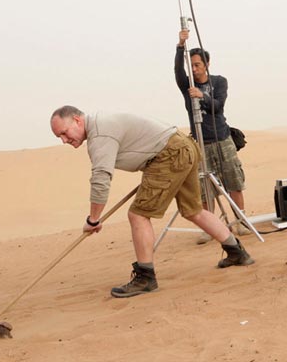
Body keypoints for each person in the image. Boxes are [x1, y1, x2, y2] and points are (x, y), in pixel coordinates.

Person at [50, 105, 254, 298]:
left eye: (64, 133)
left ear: (77, 120)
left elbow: (101, 179)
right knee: (193, 210)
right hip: (182, 147)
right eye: (59, 136)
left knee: (138, 214)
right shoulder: (101, 124)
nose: (64, 140)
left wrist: (93, 219)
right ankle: (237, 252)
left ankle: (145, 277)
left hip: (170, 154)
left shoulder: (99, 134)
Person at [176, 30, 247, 223]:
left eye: (197, 65)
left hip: (222, 139)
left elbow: (218, 106)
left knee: (233, 181)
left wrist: (202, 96)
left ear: (207, 64)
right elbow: (178, 70)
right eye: (191, 66)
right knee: (204, 189)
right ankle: (212, 226)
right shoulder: (187, 85)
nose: (194, 69)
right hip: (201, 143)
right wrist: (180, 45)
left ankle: (241, 221)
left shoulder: (219, 81)